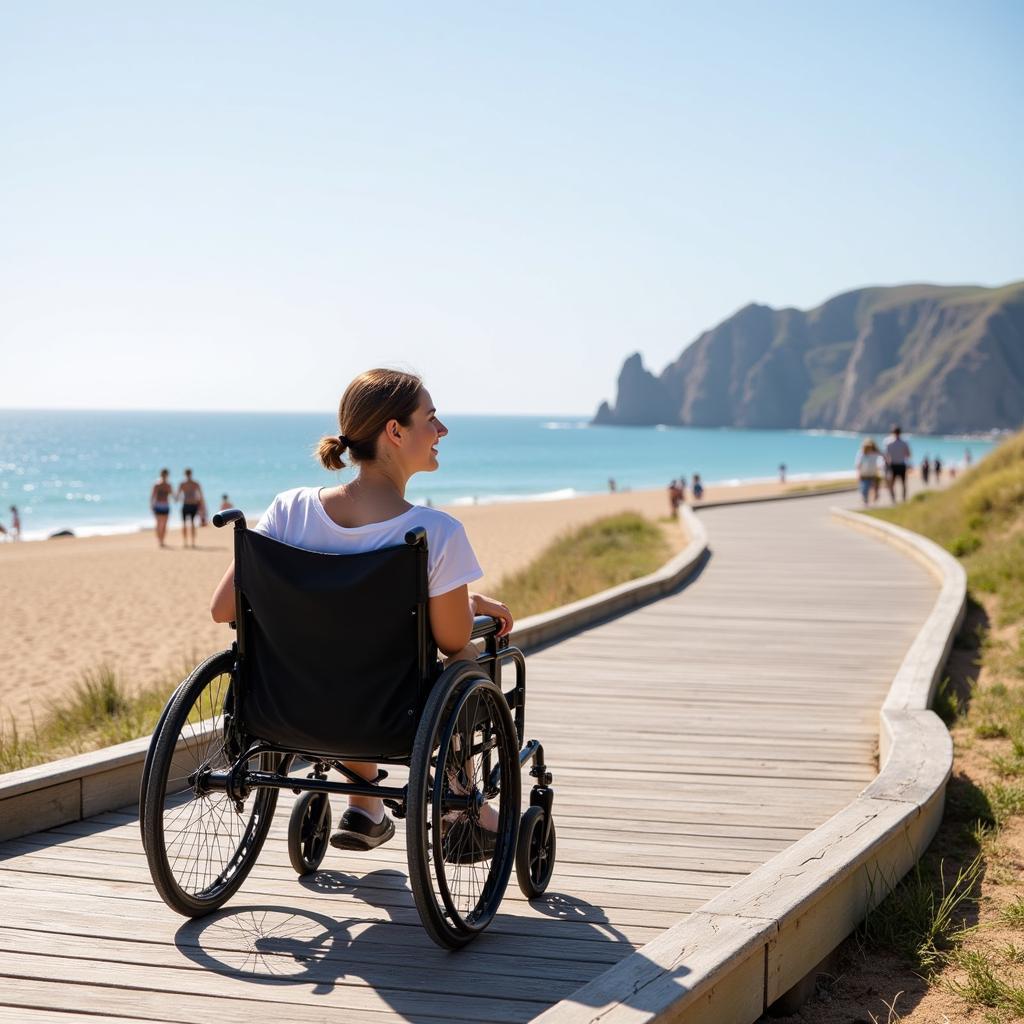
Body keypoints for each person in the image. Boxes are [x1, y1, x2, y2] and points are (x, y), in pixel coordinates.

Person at [210, 368, 512, 856]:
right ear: (394, 431)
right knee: (464, 663)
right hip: (389, 718)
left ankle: (366, 807)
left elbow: (224, 607)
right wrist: (469, 603)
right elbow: (453, 637)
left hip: (285, 710)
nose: (442, 431)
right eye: (431, 419)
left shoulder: (290, 509)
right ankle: (459, 801)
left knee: (344, 653)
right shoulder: (435, 532)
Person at [176, 468, 205, 548]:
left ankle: (186, 542)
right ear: (191, 474)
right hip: (192, 504)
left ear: (185, 474)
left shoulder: (182, 484)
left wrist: (175, 499)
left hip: (187, 504)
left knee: (185, 524)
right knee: (191, 523)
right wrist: (202, 506)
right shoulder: (195, 483)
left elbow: (177, 496)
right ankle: (192, 542)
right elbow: (201, 496)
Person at [883, 425, 911, 503]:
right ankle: (904, 499)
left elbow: (886, 455)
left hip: (893, 465)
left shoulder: (888, 443)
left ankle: (893, 499)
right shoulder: (904, 442)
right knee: (903, 483)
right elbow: (908, 454)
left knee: (892, 483)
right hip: (902, 464)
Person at [855, 439, 885, 506]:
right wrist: (858, 473)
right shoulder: (861, 453)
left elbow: (882, 458)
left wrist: (881, 466)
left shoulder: (875, 453)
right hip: (864, 475)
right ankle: (866, 502)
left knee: (875, 489)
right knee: (864, 489)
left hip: (874, 474)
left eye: (870, 447)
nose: (868, 448)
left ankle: (874, 499)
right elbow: (858, 464)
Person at [150, 469, 173, 548]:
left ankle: (162, 540)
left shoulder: (168, 485)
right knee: (159, 524)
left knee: (164, 524)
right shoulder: (157, 484)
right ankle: (159, 540)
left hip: (165, 505)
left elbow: (172, 495)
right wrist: (152, 505)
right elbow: (152, 496)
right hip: (159, 505)